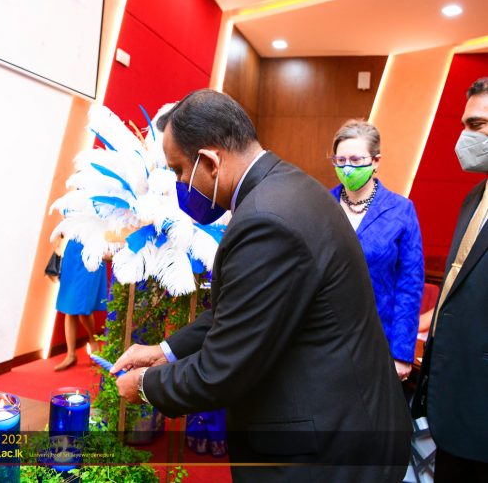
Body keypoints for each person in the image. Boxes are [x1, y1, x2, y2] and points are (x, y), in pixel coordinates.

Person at [111, 89, 411, 482]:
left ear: (211, 161)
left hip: (323, 450)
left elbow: (221, 370)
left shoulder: (265, 219)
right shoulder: (287, 186)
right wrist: (164, 351)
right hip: (350, 419)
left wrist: (145, 385)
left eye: (180, 170)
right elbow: (244, 309)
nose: (180, 183)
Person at [412, 78, 488, 481]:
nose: (464, 138)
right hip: (452, 397)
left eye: (476, 125)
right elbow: (458, 283)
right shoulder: (474, 198)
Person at [330, 120, 424, 382]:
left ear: (375, 161)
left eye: (356, 160)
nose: (347, 168)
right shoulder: (321, 204)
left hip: (377, 339)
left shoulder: (401, 210)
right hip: (324, 337)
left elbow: (410, 285)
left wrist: (401, 353)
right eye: (340, 160)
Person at [54, 238, 107, 371]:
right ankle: (71, 354)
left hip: (92, 250)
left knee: (83, 306)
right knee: (69, 306)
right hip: (72, 250)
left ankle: (93, 342)